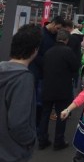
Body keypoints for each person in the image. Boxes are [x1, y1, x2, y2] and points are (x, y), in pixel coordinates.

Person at [0, 24, 42, 162]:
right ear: (35, 50)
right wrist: (31, 139)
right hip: (12, 153)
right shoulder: (23, 78)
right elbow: (18, 124)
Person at [39, 29, 80, 150]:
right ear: (66, 40)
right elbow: (75, 67)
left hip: (47, 87)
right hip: (63, 88)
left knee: (45, 114)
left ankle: (42, 140)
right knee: (62, 114)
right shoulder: (68, 52)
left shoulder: (48, 52)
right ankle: (58, 141)